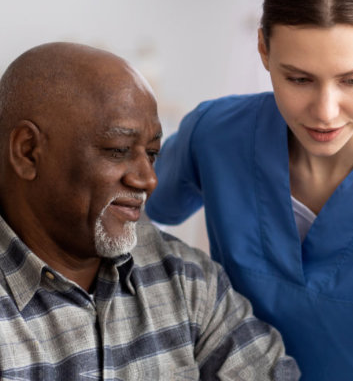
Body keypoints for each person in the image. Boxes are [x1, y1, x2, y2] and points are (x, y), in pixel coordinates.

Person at [145, 0, 353, 379]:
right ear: (264, 50)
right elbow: (131, 221)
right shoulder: (215, 136)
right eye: (299, 79)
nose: (325, 112)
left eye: (352, 80)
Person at [0, 42, 300, 380]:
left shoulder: (187, 281)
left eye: (152, 154)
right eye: (118, 150)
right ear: (28, 152)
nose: (148, 179)